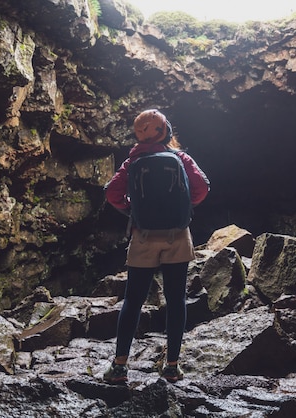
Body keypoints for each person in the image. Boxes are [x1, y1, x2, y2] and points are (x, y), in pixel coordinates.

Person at [103, 109, 210, 384]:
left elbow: (112, 193)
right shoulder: (180, 158)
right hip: (177, 234)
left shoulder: (132, 162)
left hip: (143, 236)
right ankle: (172, 365)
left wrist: (133, 211)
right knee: (176, 300)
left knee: (133, 300)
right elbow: (202, 188)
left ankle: (119, 366)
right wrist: (183, 208)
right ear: (167, 131)